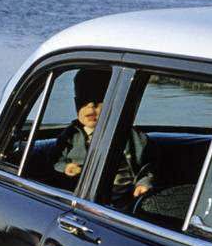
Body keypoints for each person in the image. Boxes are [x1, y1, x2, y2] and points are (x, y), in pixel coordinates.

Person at [53, 68, 155, 206]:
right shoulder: (70, 136)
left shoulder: (132, 136)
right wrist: (65, 167)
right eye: (83, 102)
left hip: (128, 200)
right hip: (84, 199)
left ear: (113, 104)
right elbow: (55, 160)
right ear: (76, 104)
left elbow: (146, 166)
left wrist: (143, 183)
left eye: (98, 101)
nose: (90, 107)